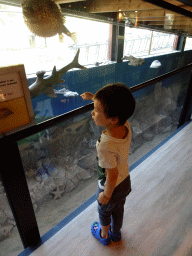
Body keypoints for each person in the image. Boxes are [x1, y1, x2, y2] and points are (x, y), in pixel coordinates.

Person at [80, 83, 135, 246]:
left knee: (104, 210)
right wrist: (94, 98)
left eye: (96, 110)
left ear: (113, 119)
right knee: (119, 210)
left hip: (110, 186)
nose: (92, 113)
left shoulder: (105, 145)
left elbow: (111, 174)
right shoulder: (125, 124)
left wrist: (105, 195)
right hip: (125, 181)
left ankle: (104, 235)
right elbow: (118, 102)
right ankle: (116, 234)